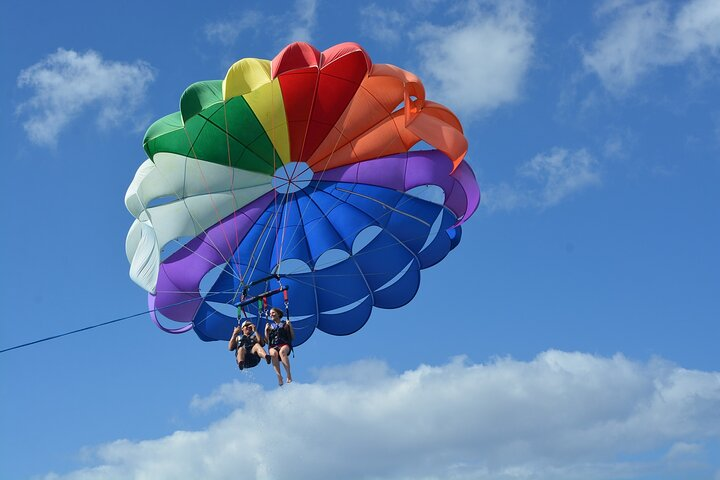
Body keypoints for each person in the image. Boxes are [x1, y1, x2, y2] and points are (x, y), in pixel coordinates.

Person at [265, 307, 294, 385]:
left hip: (284, 344)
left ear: (278, 314)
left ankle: (288, 374)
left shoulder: (285, 324)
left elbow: (292, 336)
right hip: (273, 345)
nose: (271, 314)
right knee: (273, 354)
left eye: (273, 313)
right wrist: (266, 330)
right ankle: (279, 377)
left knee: (282, 352)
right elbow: (267, 340)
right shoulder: (270, 326)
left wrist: (290, 326)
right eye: (270, 313)